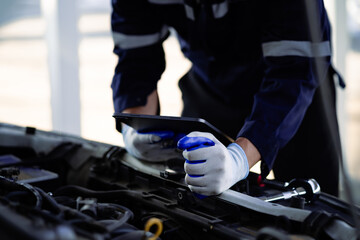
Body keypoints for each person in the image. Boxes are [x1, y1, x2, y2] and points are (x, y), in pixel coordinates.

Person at [110, 0, 344, 197]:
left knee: (312, 210)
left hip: (295, 99)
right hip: (209, 86)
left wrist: (238, 159)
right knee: (193, 199)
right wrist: (135, 128)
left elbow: (294, 71)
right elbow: (135, 61)